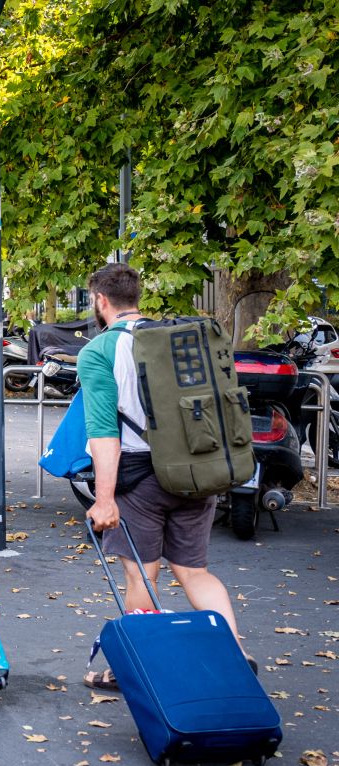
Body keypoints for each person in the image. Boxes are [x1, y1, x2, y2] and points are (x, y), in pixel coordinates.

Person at [79, 262, 254, 691]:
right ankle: (232, 648)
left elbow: (104, 433)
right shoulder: (175, 341)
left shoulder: (100, 352)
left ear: (101, 300)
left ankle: (132, 669)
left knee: (143, 576)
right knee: (194, 572)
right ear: (137, 297)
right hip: (198, 467)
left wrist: (104, 500)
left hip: (144, 481)